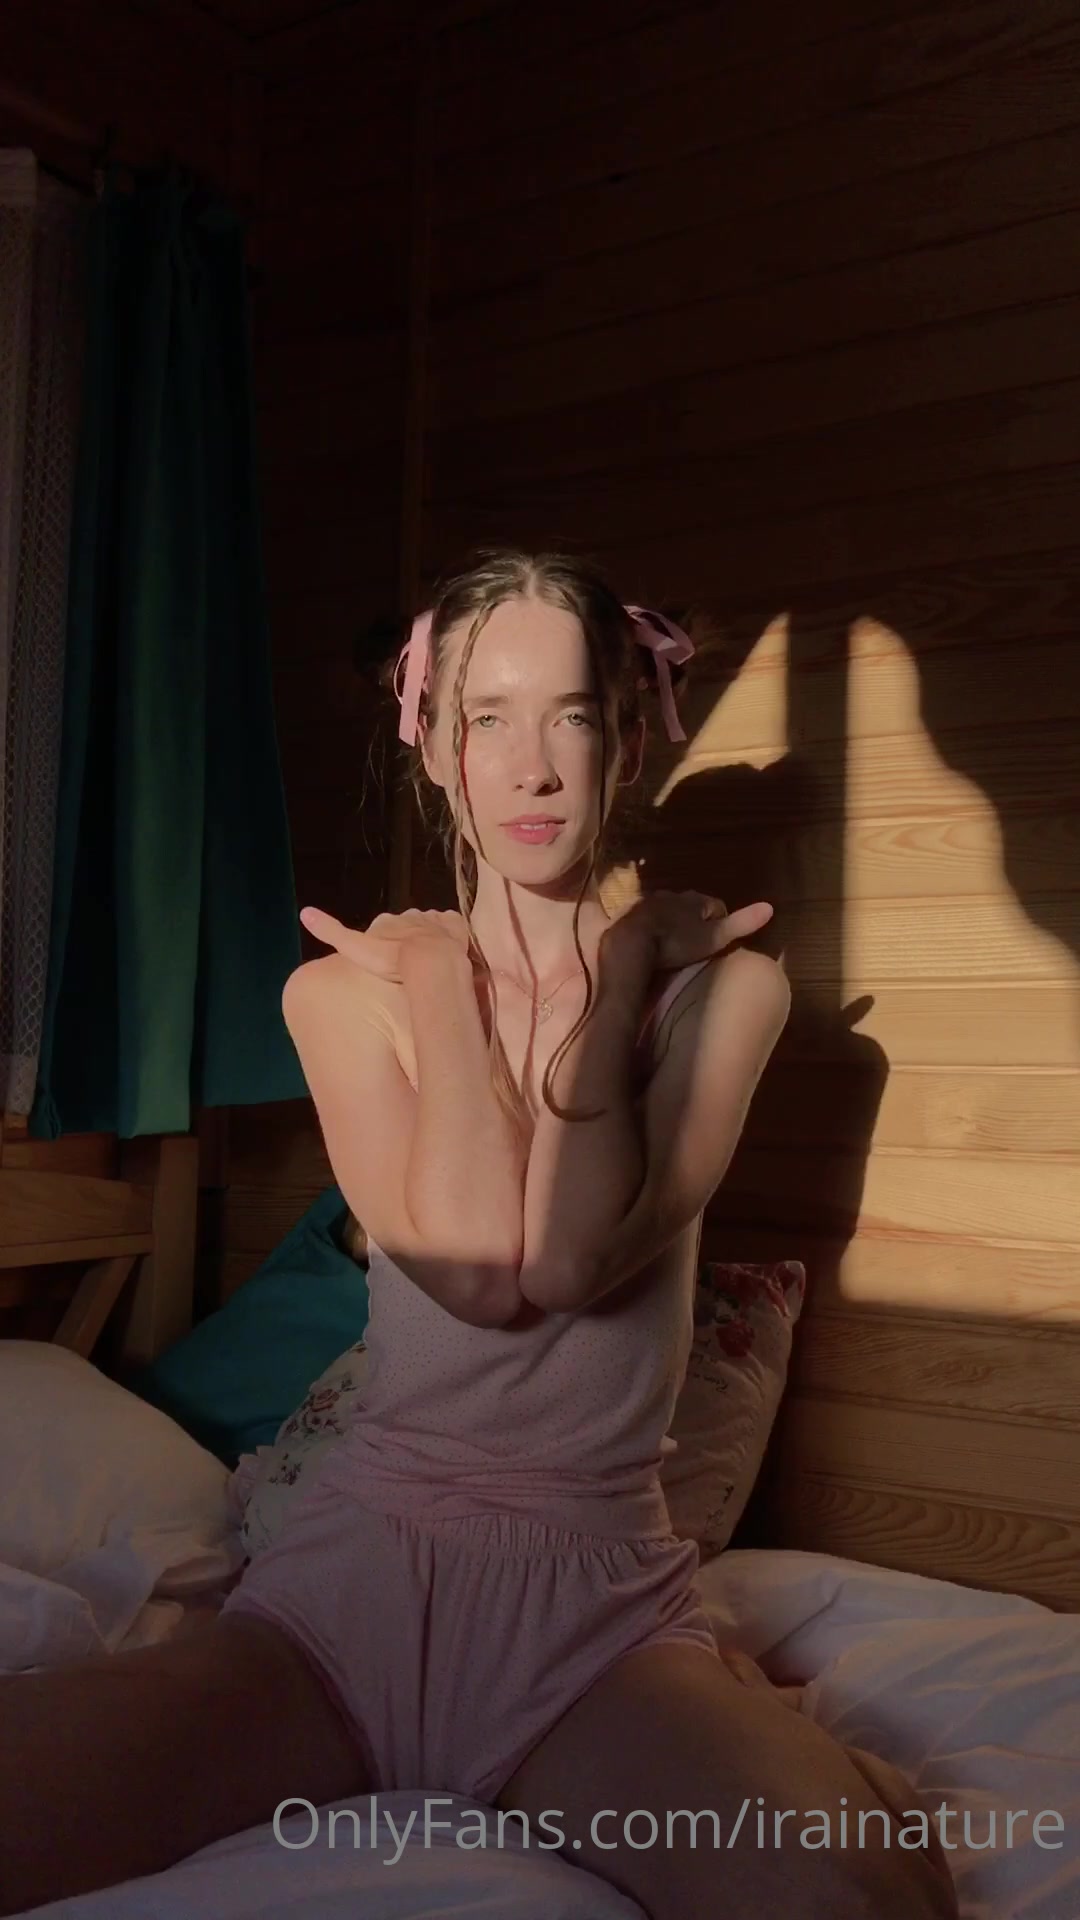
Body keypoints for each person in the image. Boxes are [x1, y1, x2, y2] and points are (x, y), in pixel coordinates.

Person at [0, 548, 958, 1920]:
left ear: (629, 741)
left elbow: (565, 1263)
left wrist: (617, 982)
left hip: (594, 1624)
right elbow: (468, 1267)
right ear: (434, 745)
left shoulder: (721, 995)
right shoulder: (345, 999)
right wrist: (445, 986)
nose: (534, 766)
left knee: (855, 1903)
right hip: (345, 1597)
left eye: (572, 715)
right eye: (488, 718)